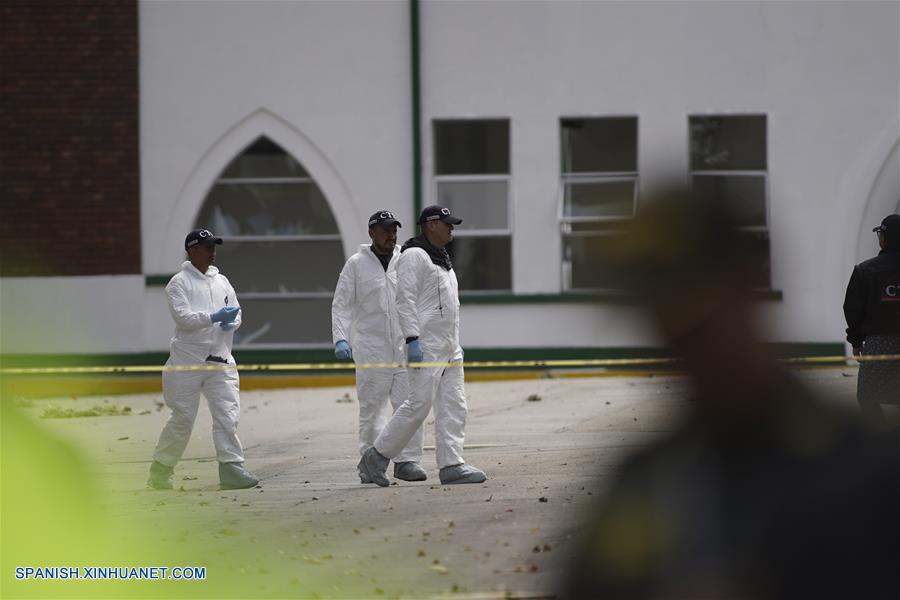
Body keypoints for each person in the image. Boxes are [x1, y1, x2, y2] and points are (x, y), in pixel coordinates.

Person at [561, 190, 900, 599]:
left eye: (693, 314)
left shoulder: (870, 471)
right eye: (655, 316)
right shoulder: (644, 483)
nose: (675, 341)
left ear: (750, 278)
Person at [358, 205, 486, 486]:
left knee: (455, 406)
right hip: (426, 346)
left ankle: (452, 464)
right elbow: (404, 300)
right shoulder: (415, 256)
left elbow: (448, 307)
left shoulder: (442, 259)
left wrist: (455, 343)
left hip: (450, 348)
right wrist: (413, 339)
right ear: (430, 225)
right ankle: (375, 458)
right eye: (447, 223)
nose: (452, 228)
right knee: (418, 405)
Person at [147, 228, 259, 491]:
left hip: (220, 360)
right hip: (187, 364)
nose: (213, 252)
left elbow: (237, 311)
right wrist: (213, 317)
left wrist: (231, 321)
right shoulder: (178, 284)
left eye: (214, 247)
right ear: (192, 251)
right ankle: (161, 468)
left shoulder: (222, 281)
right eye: (208, 247)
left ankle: (231, 467)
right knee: (183, 417)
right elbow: (183, 318)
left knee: (227, 414)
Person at [332, 210, 427, 483]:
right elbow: (342, 305)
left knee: (408, 405)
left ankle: (407, 460)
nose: (391, 235)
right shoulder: (356, 265)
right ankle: (371, 465)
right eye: (385, 230)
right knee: (373, 410)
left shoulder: (406, 260)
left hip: (405, 345)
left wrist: (419, 338)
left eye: (394, 230)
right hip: (371, 348)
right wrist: (341, 338)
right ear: (371, 233)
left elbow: (419, 300)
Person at [843, 213, 900, 429]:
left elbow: (853, 308)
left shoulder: (865, 271)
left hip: (879, 344)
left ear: (884, 238)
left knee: (867, 396)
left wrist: (856, 341)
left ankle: (883, 439)